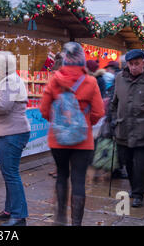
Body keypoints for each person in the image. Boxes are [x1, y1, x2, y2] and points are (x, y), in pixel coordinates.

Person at [40, 42, 105, 226]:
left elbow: (44, 110)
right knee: (78, 179)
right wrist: (84, 123)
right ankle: (76, 222)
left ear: (65, 61)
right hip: (83, 141)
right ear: (82, 61)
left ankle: (60, 217)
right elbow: (99, 112)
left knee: (61, 175)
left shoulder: (54, 80)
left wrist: (59, 122)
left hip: (58, 139)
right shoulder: (91, 82)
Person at [110, 49, 144, 208]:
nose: (134, 67)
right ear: (127, 64)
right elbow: (114, 103)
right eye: (131, 64)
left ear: (143, 63)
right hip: (123, 130)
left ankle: (138, 194)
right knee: (128, 163)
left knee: (141, 165)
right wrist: (114, 120)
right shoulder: (119, 78)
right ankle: (135, 189)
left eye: (137, 64)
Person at [0, 51, 31, 226]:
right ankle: (10, 210)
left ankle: (18, 215)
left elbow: (4, 106)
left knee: (11, 174)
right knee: (10, 173)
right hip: (10, 132)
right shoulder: (10, 80)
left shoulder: (10, 82)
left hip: (12, 133)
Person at [104, 60, 128, 179]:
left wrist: (109, 117)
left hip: (118, 118)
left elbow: (113, 101)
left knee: (117, 145)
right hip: (119, 118)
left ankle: (117, 168)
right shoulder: (119, 78)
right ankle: (117, 168)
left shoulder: (117, 78)